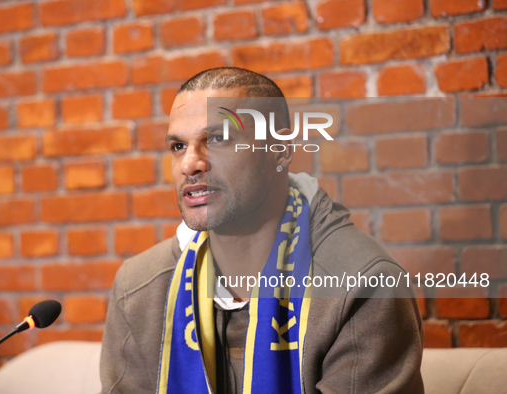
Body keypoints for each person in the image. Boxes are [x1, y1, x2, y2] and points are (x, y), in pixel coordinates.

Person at [100, 67, 424, 394]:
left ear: (280, 150)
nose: (190, 164)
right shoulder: (138, 288)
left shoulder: (363, 285)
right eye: (178, 146)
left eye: (217, 139)